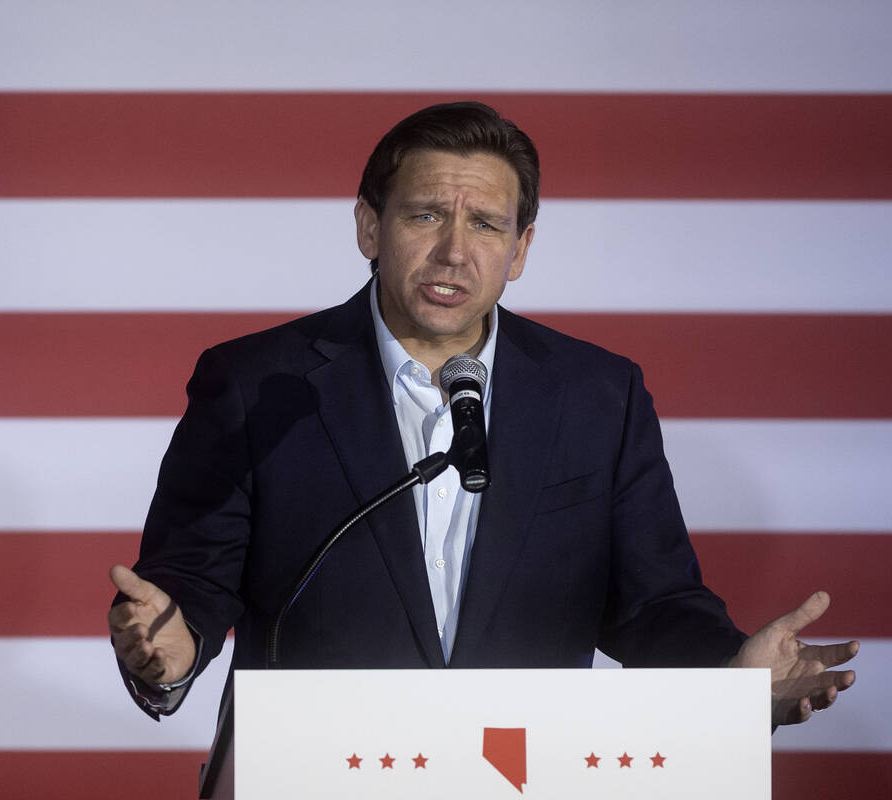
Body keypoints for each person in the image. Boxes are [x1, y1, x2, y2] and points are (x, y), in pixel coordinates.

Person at [107, 101, 858, 727]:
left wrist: (731, 674)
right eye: (426, 215)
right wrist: (175, 646)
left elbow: (652, 603)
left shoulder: (598, 395)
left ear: (521, 247)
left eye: (487, 225)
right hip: (316, 765)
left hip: (523, 769)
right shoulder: (257, 381)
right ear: (370, 227)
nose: (454, 253)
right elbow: (194, 579)